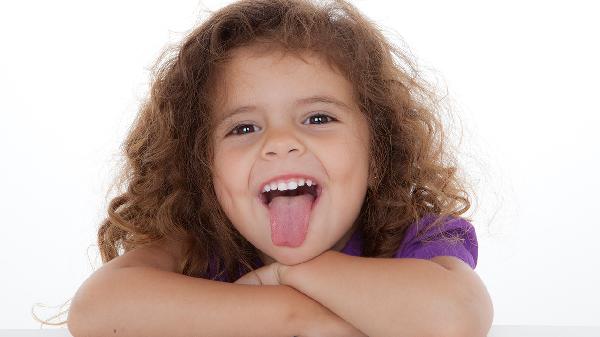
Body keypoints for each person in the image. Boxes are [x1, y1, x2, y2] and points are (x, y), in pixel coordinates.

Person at [66, 0, 493, 336]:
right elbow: (97, 310)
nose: (280, 143)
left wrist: (288, 272)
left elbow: (453, 318)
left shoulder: (420, 240)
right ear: (201, 166)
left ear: (379, 148)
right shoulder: (197, 251)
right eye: (244, 127)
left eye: (318, 118)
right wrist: (299, 314)